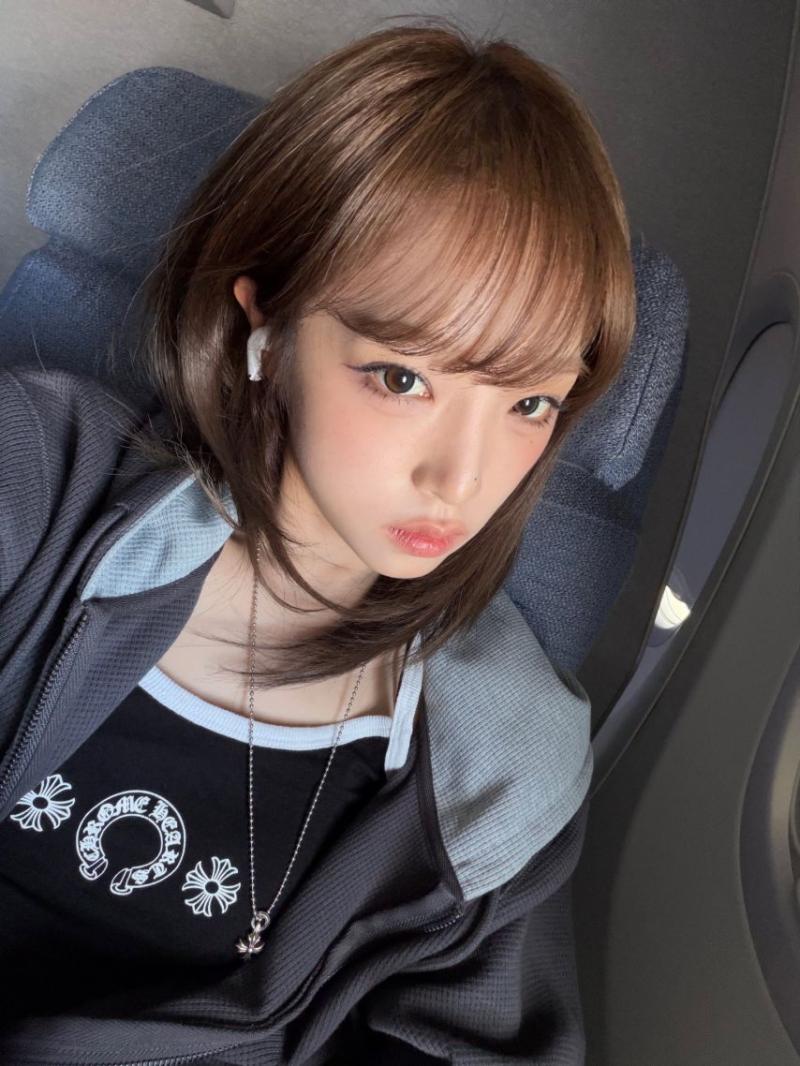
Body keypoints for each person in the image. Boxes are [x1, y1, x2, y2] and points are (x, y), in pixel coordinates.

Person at [0, 15, 636, 1064]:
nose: (461, 479)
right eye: (402, 377)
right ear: (269, 323)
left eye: (529, 404)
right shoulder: (37, 478)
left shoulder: (499, 762)